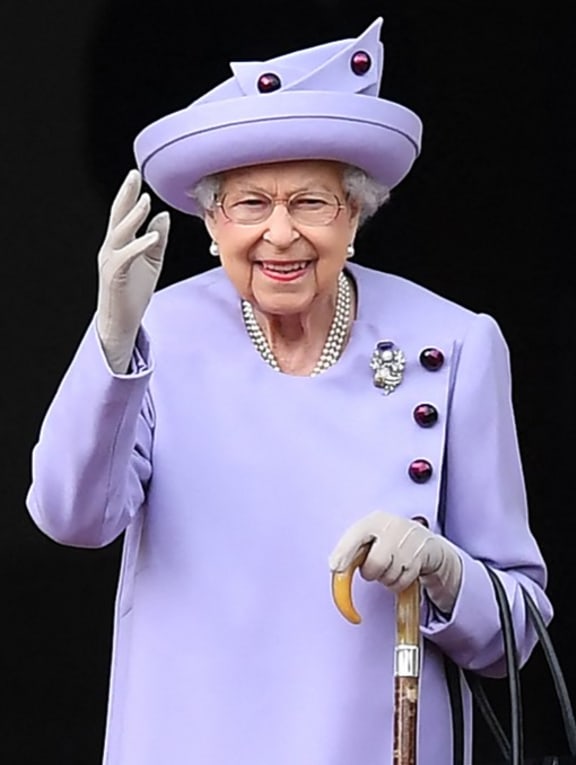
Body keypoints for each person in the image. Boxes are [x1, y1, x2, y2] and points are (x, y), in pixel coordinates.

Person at [26, 17, 552, 765]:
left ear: (356, 214)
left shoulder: (457, 342)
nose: (281, 234)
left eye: (311, 202)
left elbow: (516, 630)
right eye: (249, 204)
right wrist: (112, 336)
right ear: (211, 222)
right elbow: (70, 516)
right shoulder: (158, 332)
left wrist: (444, 568)